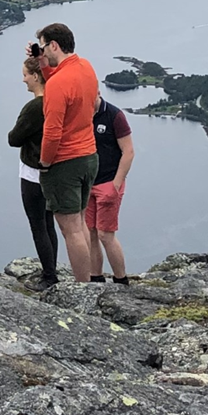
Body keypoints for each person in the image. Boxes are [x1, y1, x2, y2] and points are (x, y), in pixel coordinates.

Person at [34, 23, 99, 283]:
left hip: (65, 162)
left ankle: (82, 288)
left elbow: (52, 132)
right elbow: (70, 90)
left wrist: (45, 163)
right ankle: (90, 282)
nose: (43, 51)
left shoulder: (58, 84)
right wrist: (42, 64)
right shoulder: (86, 68)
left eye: (43, 46)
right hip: (89, 156)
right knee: (80, 222)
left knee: (70, 229)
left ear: (54, 45)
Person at [8, 56, 59, 291]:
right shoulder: (56, 100)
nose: (23, 80)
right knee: (49, 223)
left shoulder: (34, 107)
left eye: (26, 75)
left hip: (32, 173)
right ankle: (51, 269)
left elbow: (13, 138)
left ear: (36, 76)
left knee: (37, 224)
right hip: (53, 171)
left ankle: (49, 277)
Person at [86, 91, 134, 285]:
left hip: (108, 183)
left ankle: (121, 279)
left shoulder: (114, 115)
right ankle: (95, 277)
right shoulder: (80, 115)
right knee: (90, 232)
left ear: (96, 92)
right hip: (87, 183)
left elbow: (128, 151)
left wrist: (116, 183)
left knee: (106, 234)